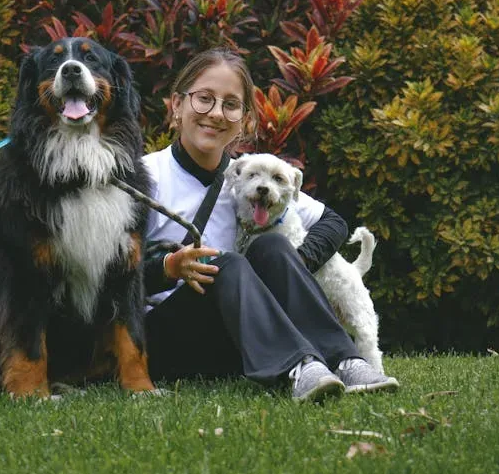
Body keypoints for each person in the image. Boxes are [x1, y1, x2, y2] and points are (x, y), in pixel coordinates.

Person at [142, 49, 399, 402]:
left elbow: (333, 222)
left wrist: (301, 262)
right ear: (176, 105)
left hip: (234, 341)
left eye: (230, 104)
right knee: (228, 263)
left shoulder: (247, 176)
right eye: (204, 99)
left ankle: (345, 361)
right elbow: (110, 276)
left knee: (274, 246)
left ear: (245, 120)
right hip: (164, 341)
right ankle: (299, 366)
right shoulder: (145, 176)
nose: (216, 113)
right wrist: (168, 268)